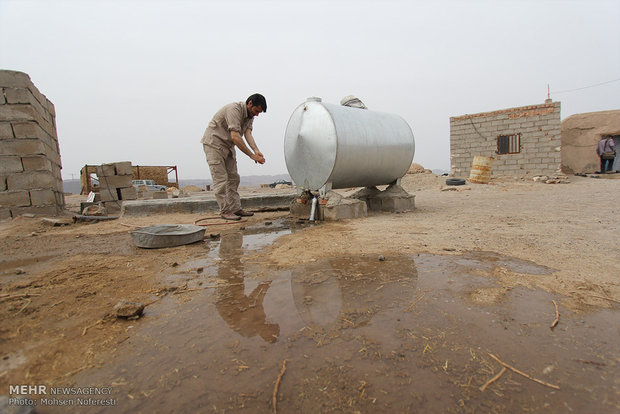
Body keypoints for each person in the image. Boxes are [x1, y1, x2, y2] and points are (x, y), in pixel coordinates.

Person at [201, 94, 267, 220]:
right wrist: (252, 156)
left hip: (228, 146)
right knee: (221, 180)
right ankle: (225, 211)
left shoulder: (250, 116)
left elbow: (248, 134)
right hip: (214, 144)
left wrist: (256, 150)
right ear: (250, 103)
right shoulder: (234, 109)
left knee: (234, 178)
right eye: (256, 111)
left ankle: (236, 209)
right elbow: (236, 137)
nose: (257, 114)